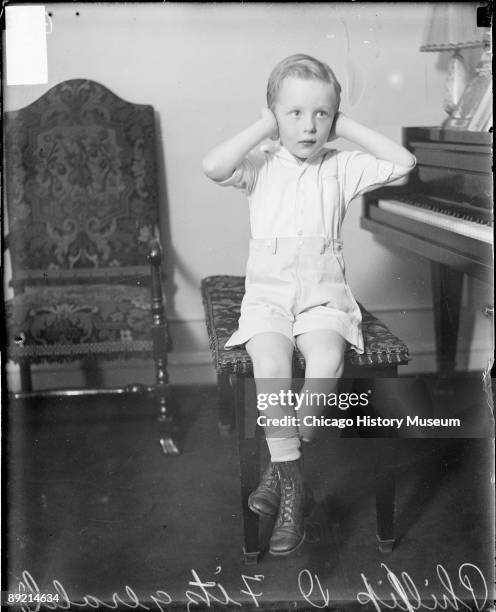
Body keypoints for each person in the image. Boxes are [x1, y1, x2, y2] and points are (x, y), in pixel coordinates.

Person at [202, 53, 416, 556]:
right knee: (271, 363)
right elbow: (214, 166)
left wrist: (347, 124)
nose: (310, 125)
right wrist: (264, 124)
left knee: (326, 357)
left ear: (334, 120)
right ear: (275, 115)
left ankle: (281, 470)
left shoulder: (341, 166)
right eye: (295, 113)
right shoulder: (260, 165)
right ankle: (296, 488)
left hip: (323, 297)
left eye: (322, 114)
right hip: (269, 299)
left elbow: (404, 165)